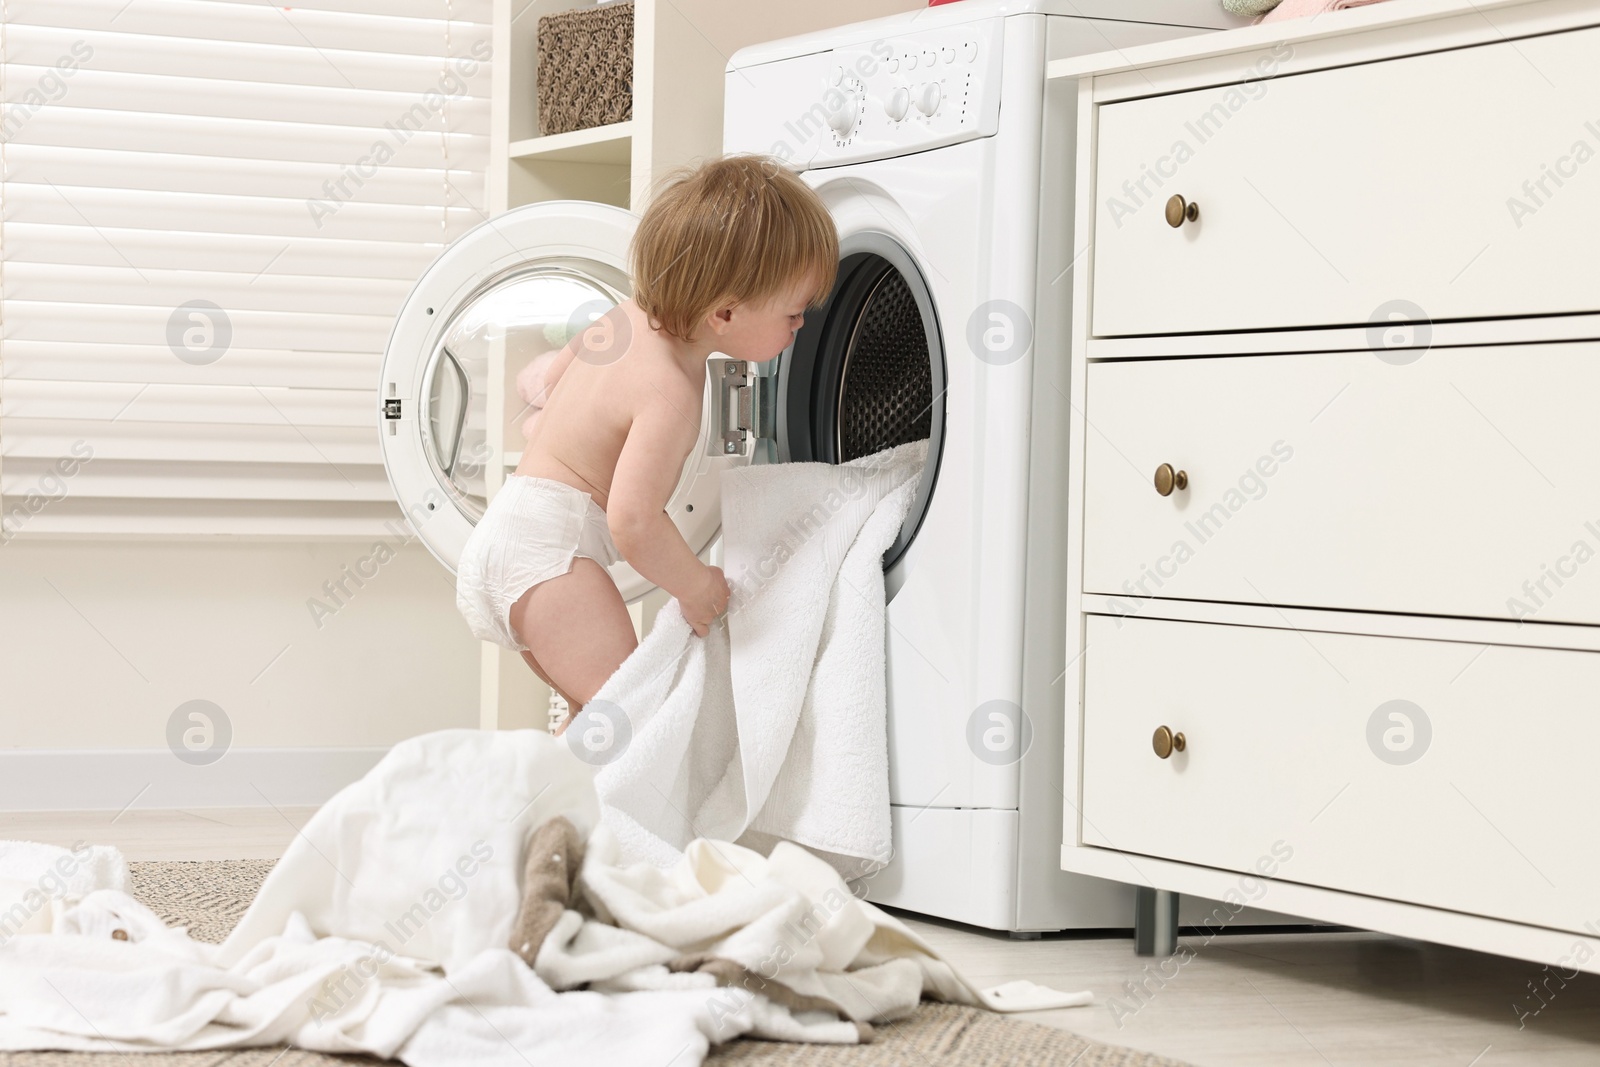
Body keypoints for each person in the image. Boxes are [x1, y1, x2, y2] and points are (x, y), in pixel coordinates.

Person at [454, 154, 839, 735]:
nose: (801, 326)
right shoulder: (672, 396)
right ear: (725, 312)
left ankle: (554, 815)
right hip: (552, 563)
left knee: (594, 727)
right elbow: (634, 521)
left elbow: (554, 383)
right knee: (636, 722)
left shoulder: (624, 315)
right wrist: (697, 586)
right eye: (793, 313)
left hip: (510, 538)